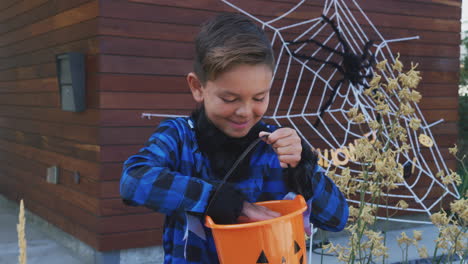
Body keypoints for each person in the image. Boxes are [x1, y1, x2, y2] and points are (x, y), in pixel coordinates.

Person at [120, 13, 348, 263]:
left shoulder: (275, 147)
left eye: (259, 98)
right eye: (230, 99)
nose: (245, 112)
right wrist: (215, 199)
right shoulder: (181, 137)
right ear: (198, 87)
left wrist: (305, 165)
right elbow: (133, 180)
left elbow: (337, 218)